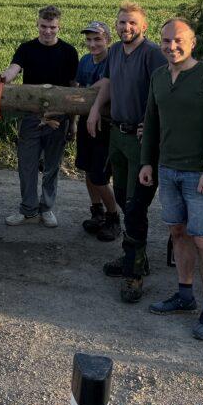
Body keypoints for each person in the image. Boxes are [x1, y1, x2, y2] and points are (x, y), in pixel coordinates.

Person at [139, 18, 203, 341]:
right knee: (177, 232)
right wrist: (146, 162)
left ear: (193, 42)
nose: (171, 46)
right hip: (167, 169)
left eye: (178, 40)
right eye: (166, 41)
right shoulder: (159, 77)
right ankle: (184, 294)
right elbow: (151, 122)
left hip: (198, 173)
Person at [86, 1, 168, 303]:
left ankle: (134, 274)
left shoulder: (152, 54)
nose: (126, 27)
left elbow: (163, 90)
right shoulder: (116, 52)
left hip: (140, 140)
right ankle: (134, 256)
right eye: (122, 22)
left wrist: (151, 122)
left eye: (132, 23)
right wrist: (95, 108)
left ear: (144, 26)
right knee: (122, 196)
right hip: (117, 135)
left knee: (136, 205)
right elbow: (108, 82)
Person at [0, 6, 79, 228]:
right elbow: (13, 70)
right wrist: (3, 77)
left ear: (59, 27)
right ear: (37, 25)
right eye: (43, 26)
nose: (47, 31)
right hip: (30, 117)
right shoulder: (26, 49)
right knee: (27, 165)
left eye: (52, 27)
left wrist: (73, 123)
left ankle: (47, 208)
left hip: (59, 118)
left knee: (52, 166)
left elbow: (73, 88)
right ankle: (28, 209)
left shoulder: (69, 52)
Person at [75, 21, 121, 242]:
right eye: (89, 39)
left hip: (106, 125)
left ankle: (113, 217)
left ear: (108, 40)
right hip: (86, 122)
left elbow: (107, 84)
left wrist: (84, 94)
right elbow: (76, 87)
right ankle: (97, 212)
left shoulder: (114, 60)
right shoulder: (85, 60)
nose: (92, 44)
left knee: (99, 175)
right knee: (87, 169)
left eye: (98, 39)